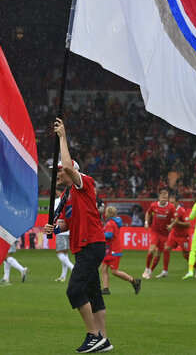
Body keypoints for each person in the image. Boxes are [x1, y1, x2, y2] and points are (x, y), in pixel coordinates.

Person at [43, 118, 112, 354]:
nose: (57, 174)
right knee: (93, 293)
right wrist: (57, 229)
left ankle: (93, 335)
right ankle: (103, 338)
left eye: (59, 170)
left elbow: (69, 167)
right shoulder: (69, 196)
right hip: (84, 245)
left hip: (91, 245)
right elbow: (70, 224)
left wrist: (63, 137)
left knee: (74, 290)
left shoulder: (85, 184)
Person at [100, 206, 141, 295]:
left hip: (113, 250)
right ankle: (105, 289)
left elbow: (109, 235)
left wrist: (100, 235)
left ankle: (134, 281)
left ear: (109, 213)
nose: (105, 213)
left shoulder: (110, 223)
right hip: (110, 250)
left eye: (106, 212)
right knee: (103, 268)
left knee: (114, 271)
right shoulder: (113, 222)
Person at [162, 193, 196, 278]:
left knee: (186, 255)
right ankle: (165, 271)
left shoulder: (181, 210)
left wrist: (177, 222)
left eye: (173, 202)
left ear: (177, 202)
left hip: (183, 235)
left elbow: (188, 224)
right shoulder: (170, 209)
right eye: (170, 202)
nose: (171, 204)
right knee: (166, 249)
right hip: (174, 234)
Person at [143, 188, 176, 279]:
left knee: (158, 255)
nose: (165, 199)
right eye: (163, 197)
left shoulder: (171, 207)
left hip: (165, 234)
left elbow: (175, 219)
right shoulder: (153, 205)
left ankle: (150, 271)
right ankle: (146, 269)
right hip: (155, 232)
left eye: (166, 198)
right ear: (159, 197)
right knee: (151, 250)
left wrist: (171, 225)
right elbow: (148, 213)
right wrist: (146, 223)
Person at [53, 191, 75, 282]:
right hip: (68, 229)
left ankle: (73, 268)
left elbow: (55, 214)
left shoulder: (57, 201)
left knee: (60, 253)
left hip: (61, 229)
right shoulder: (70, 199)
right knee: (65, 253)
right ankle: (63, 276)